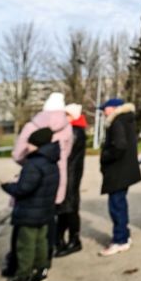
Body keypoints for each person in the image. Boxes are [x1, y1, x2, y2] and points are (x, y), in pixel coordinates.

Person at [2, 93, 72, 278]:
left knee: (24, 228)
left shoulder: (32, 126)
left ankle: (19, 268)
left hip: (32, 179)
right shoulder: (67, 128)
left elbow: (18, 154)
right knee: (47, 226)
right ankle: (43, 265)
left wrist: (29, 166)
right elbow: (67, 153)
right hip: (56, 179)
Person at [0, 127, 60, 281]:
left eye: (30, 143)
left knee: (25, 245)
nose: (27, 147)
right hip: (45, 211)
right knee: (41, 242)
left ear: (37, 144)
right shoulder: (52, 161)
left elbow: (24, 189)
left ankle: (22, 279)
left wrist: (8, 186)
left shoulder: (33, 164)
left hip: (29, 212)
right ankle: (41, 271)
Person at [98, 98, 141, 256]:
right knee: (120, 203)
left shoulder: (117, 121)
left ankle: (120, 240)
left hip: (118, 171)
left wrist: (105, 156)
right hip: (124, 170)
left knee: (116, 206)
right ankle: (124, 235)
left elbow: (120, 145)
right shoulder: (126, 119)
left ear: (114, 108)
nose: (103, 111)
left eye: (105, 108)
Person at [55, 103, 87, 256]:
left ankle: (74, 239)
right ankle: (59, 238)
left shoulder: (74, 131)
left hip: (70, 173)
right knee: (64, 207)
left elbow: (65, 152)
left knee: (70, 206)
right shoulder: (71, 130)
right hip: (68, 172)